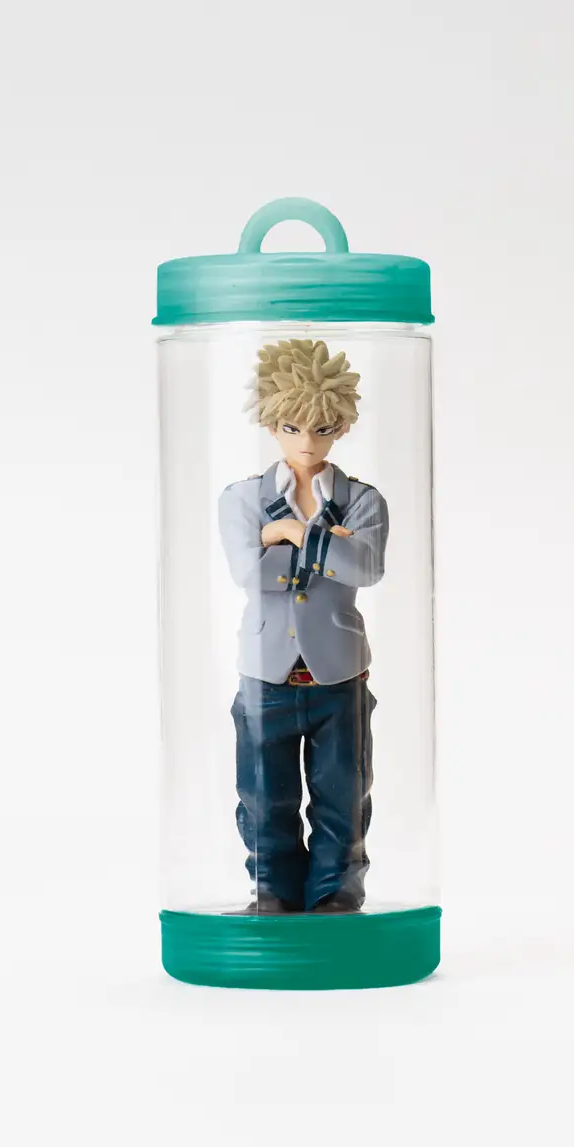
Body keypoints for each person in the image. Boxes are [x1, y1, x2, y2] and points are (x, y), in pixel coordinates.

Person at [218, 338, 389, 914]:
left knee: (343, 792)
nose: (307, 441)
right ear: (271, 423)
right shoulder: (242, 498)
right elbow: (249, 573)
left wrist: (291, 534)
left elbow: (366, 568)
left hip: (338, 673)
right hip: (265, 672)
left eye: (322, 428)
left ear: (341, 426)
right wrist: (324, 545)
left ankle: (336, 892)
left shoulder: (362, 499)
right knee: (263, 794)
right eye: (292, 427)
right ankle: (272, 890)